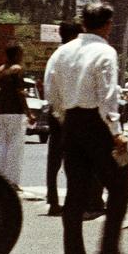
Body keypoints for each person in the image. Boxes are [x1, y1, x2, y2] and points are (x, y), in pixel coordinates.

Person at [44, 2, 128, 254]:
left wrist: (64, 117)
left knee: (75, 192)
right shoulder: (105, 52)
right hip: (97, 124)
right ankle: (108, 247)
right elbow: (107, 95)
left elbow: (51, 90)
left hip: (71, 123)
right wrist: (116, 131)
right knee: (121, 185)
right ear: (107, 25)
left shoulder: (62, 52)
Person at [41, 20, 83, 216]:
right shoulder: (72, 55)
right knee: (72, 160)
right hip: (69, 112)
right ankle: (73, 200)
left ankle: (53, 200)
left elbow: (49, 87)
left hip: (56, 112)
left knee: (54, 159)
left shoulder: (55, 56)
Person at [0, 44, 29, 187]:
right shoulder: (17, 69)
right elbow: (20, 92)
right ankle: (13, 182)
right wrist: (28, 112)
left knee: (4, 145)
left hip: (2, 112)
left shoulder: (0, 70)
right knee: (15, 148)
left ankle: (2, 179)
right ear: (16, 55)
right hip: (15, 112)